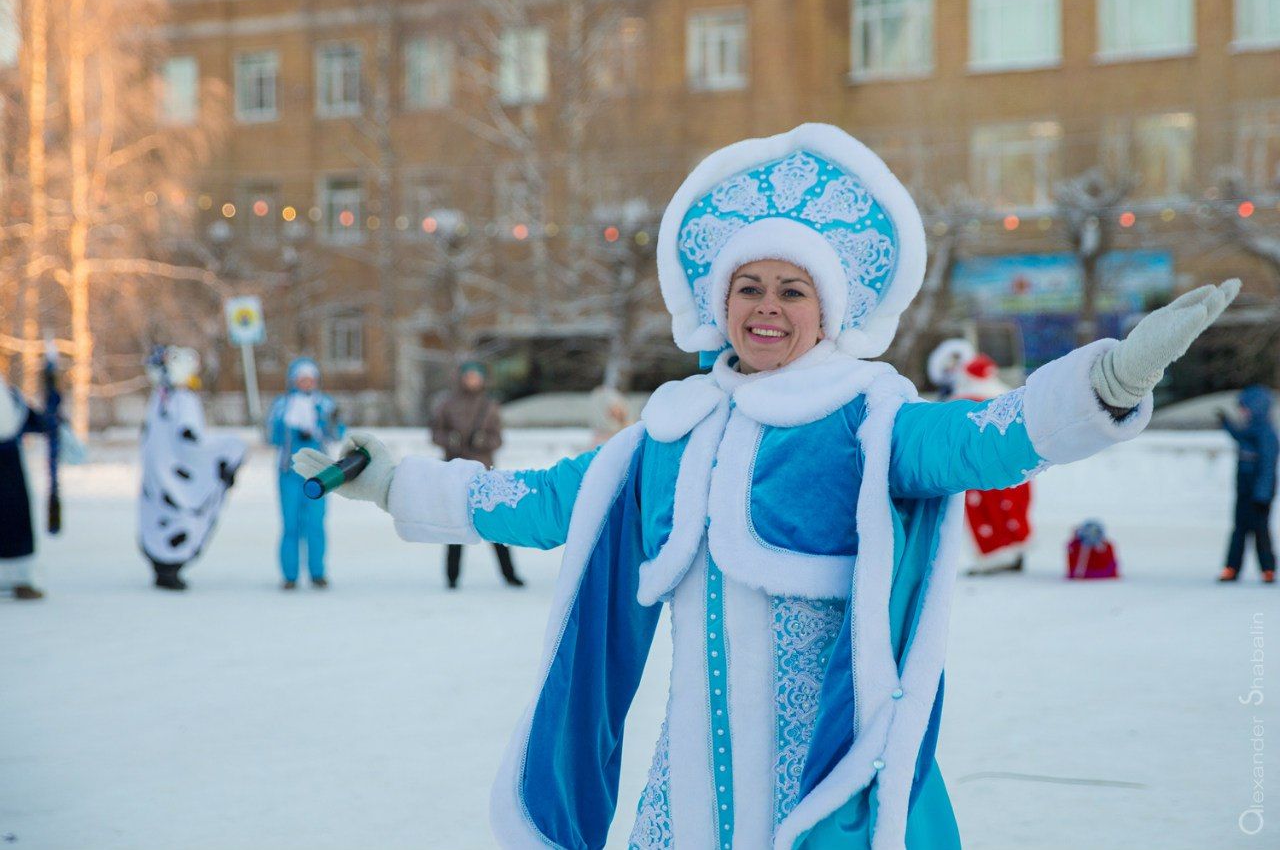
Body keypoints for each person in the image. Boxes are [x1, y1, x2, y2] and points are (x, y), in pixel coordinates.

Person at [294, 124, 1238, 849]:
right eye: (750, 287)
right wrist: (395, 483)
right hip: (688, 789)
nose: (769, 308)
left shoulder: (867, 416)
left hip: (819, 775)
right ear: (721, 302)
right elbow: (543, 503)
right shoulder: (669, 428)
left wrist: (1108, 382)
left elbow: (983, 441)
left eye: (793, 290)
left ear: (828, 310)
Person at [139, 346, 245, 590]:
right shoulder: (174, 399)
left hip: (164, 473)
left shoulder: (165, 399)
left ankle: (166, 566)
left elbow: (184, 435)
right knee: (177, 516)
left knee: (168, 516)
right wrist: (226, 450)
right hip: (171, 475)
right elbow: (189, 437)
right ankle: (167, 567)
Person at [430, 361, 523, 589]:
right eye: (468, 376)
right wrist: (449, 440)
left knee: (495, 523)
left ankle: (509, 574)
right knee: (456, 525)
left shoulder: (490, 406)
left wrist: (483, 441)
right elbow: (435, 433)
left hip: (484, 473)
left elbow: (498, 439)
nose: (472, 381)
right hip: (455, 471)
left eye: (476, 377)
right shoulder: (447, 404)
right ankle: (452, 577)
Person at [267, 357, 343, 589]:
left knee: (316, 524)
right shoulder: (282, 405)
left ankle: (317, 572)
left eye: (310, 379)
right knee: (290, 524)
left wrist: (326, 423)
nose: (306, 383)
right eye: (302, 379)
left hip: (319, 475)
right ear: (293, 380)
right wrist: (289, 429)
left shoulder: (324, 404)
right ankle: (289, 575)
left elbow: (337, 433)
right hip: (289, 473)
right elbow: (271, 437)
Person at [954, 354, 1034, 575]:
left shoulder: (965, 403)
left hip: (980, 469)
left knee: (986, 513)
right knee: (1011, 509)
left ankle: (994, 555)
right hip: (1013, 467)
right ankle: (1014, 551)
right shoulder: (1009, 398)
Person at [1, 372, 57, 600]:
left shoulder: (7, 393)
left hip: (9, 469)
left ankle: (19, 578)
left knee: (15, 521)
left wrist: (49, 420)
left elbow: (24, 417)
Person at [1217, 385, 1277, 584]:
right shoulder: (1249, 429)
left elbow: (1268, 467)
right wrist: (1226, 423)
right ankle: (1231, 568)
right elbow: (1239, 437)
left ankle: (1268, 569)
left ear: (1257, 408)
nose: (1242, 412)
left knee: (1260, 531)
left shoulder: (1266, 434)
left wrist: (1262, 495)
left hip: (1259, 494)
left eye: (1245, 408)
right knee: (1239, 529)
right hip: (1243, 491)